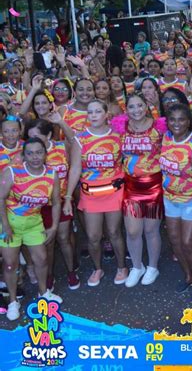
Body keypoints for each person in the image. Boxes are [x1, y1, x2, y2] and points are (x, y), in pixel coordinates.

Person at [63, 100, 128, 287]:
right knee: (92, 236)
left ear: (106, 113)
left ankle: (122, 267)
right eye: (90, 112)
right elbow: (75, 169)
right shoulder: (79, 139)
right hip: (90, 193)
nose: (93, 115)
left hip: (114, 190)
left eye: (98, 111)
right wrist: (68, 197)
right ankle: (97, 268)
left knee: (114, 232)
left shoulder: (118, 135)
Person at [0, 138, 63, 321]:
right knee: (11, 264)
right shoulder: (12, 171)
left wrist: (54, 227)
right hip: (10, 223)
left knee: (42, 260)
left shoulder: (52, 174)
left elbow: (57, 202)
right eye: (30, 153)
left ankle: (44, 294)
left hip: (34, 223)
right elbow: (1, 198)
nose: (35, 157)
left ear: (45, 154)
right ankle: (13, 301)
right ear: (24, 155)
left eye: (39, 152)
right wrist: (5, 226)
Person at [110, 93, 165, 287]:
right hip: (131, 185)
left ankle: (152, 267)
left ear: (146, 106)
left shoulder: (159, 126)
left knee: (151, 230)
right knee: (133, 231)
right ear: (126, 109)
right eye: (131, 107)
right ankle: (137, 266)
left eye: (140, 106)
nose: (136, 110)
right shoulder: (120, 127)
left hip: (154, 185)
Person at [159, 103, 192, 303]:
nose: (177, 123)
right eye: (172, 119)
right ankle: (188, 275)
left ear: (189, 121)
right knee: (175, 241)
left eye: (181, 119)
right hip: (170, 198)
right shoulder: (166, 138)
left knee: (188, 243)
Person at [24, 119, 79, 290]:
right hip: (39, 206)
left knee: (64, 238)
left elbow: (75, 144)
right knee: (47, 242)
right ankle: (49, 276)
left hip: (61, 201)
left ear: (48, 134)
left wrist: (69, 197)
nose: (33, 139)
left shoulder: (62, 147)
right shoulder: (27, 152)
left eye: (36, 135)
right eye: (29, 136)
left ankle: (71, 271)